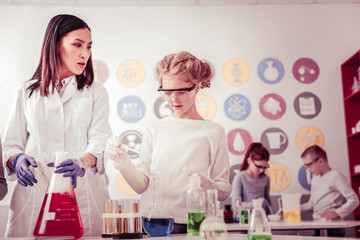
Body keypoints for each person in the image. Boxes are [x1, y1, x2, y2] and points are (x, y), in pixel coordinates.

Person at [2, 14, 112, 237]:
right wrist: (18, 159)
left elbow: (101, 139)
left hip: (83, 193)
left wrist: (82, 162)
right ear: (55, 44)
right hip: (35, 192)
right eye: (77, 44)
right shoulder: (26, 92)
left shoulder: (95, 92)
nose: (85, 54)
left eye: (89, 47)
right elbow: (11, 145)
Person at [106, 51, 232, 234]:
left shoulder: (213, 131)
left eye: (181, 91)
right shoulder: (155, 128)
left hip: (192, 223)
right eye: (167, 92)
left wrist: (207, 184)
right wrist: (122, 163)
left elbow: (225, 190)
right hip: (152, 222)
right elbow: (141, 185)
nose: (174, 99)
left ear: (197, 87)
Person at [300, 145, 359, 237]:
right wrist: (292, 208)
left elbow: (354, 199)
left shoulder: (335, 176)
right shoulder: (315, 179)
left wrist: (337, 213)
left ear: (321, 161)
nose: (308, 170)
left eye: (309, 165)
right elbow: (311, 204)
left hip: (334, 228)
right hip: (318, 226)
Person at [231, 142, 272, 214]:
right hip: (246, 219)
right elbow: (235, 206)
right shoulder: (240, 178)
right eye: (259, 166)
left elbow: (269, 204)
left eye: (264, 167)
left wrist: (273, 215)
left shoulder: (266, 179)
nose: (262, 170)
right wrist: (251, 205)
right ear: (249, 161)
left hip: (263, 218)